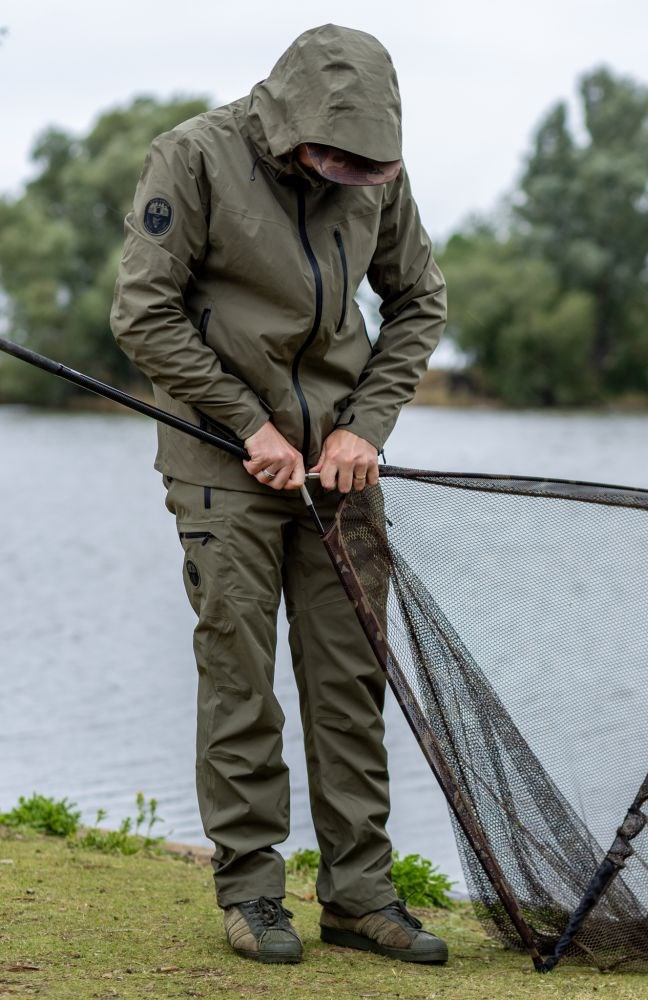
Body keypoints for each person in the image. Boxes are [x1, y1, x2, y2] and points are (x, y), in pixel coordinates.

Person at [110, 24, 448, 966]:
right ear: (295, 125)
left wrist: (362, 429)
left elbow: (420, 302)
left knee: (351, 681)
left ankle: (361, 897)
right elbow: (142, 313)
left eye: (372, 165)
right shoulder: (191, 158)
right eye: (341, 160)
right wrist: (247, 424)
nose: (357, 177)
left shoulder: (376, 174)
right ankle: (253, 891)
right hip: (223, 462)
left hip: (340, 472)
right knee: (240, 678)